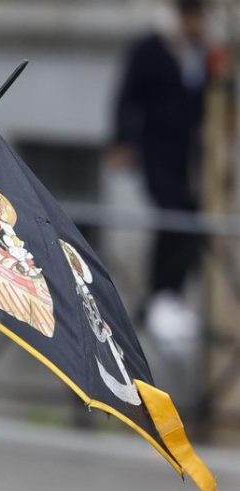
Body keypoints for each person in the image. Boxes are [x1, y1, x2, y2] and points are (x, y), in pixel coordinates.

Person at [109, 0, 214, 349]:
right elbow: (127, 95)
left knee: (188, 220)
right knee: (172, 217)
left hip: (192, 158)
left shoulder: (201, 52)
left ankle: (172, 293)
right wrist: (123, 139)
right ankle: (159, 295)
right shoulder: (151, 48)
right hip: (157, 152)